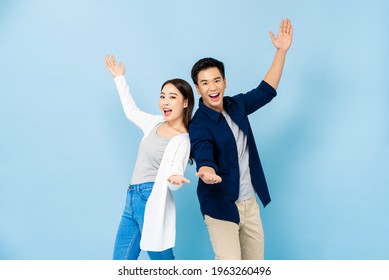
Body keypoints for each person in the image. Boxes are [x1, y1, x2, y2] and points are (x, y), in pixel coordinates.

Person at [189, 18, 293, 260]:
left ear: (225, 82)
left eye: (216, 80)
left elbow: (266, 91)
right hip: (220, 206)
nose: (212, 87)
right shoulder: (199, 123)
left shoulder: (236, 105)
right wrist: (206, 168)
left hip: (249, 203)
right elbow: (202, 149)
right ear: (197, 89)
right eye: (205, 83)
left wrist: (281, 51)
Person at [105, 55, 194, 260]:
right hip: (132, 198)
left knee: (162, 263)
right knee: (121, 262)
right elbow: (131, 111)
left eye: (172, 97)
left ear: (185, 102)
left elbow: (175, 172)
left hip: (151, 198)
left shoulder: (183, 139)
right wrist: (119, 78)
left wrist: (175, 178)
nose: (165, 101)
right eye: (163, 96)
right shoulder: (155, 123)